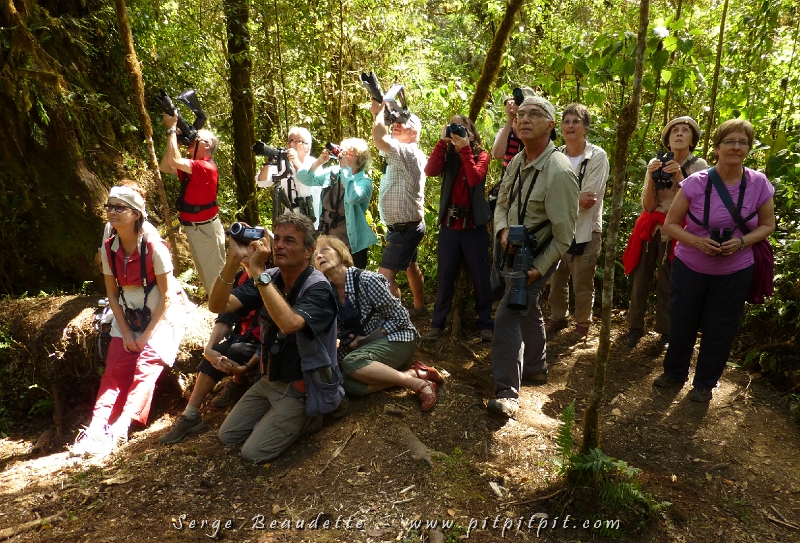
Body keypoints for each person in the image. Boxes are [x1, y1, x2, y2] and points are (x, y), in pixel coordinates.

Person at [654, 119, 775, 403]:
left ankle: (705, 383)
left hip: (736, 269)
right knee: (682, 320)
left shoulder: (758, 183)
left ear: (748, 148)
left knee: (721, 326)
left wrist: (742, 241)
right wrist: (697, 241)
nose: (736, 147)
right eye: (730, 141)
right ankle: (674, 372)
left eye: (742, 142)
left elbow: (768, 225)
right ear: (717, 147)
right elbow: (671, 224)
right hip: (691, 265)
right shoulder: (696, 182)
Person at [209, 214, 340, 464]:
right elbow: (217, 305)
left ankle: (313, 414)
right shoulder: (272, 277)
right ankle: (281, 415)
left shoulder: (318, 288)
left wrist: (258, 271)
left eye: (289, 240)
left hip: (302, 386)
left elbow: (290, 324)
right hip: (269, 379)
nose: (279, 245)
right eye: (277, 238)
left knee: (252, 453)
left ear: (308, 251)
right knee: (228, 435)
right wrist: (234, 258)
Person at [72, 184, 188, 457]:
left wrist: (146, 336)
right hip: (127, 309)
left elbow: (168, 296)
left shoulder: (154, 247)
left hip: (161, 309)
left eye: (119, 207)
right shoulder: (109, 248)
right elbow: (112, 293)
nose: (112, 212)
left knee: (147, 362)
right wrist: (125, 333)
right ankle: (96, 426)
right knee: (114, 368)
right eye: (109, 206)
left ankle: (122, 425)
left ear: (136, 214)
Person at [489, 96, 579, 419]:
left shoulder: (558, 171)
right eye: (521, 114)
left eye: (535, 114)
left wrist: (538, 269)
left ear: (550, 125)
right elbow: (501, 201)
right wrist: (502, 231)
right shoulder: (518, 161)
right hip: (512, 251)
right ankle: (537, 368)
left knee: (508, 314)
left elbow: (564, 236)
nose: (524, 119)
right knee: (527, 308)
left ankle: (507, 393)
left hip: (539, 256)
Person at [314, 236, 440, 411]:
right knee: (347, 385)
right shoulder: (327, 292)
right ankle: (413, 373)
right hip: (367, 350)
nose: (319, 256)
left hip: (399, 337)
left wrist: (365, 339)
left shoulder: (367, 280)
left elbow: (401, 318)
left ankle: (417, 384)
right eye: (315, 255)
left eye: (324, 250)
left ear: (341, 253)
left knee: (352, 362)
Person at [620, 116, 708, 350]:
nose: (679, 134)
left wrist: (680, 176)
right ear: (668, 141)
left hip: (680, 231)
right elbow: (648, 207)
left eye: (684, 131)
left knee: (669, 283)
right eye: (674, 131)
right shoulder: (656, 162)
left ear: (692, 140)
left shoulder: (699, 166)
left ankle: (666, 332)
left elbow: (700, 203)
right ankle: (635, 327)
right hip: (654, 228)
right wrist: (651, 177)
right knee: (641, 279)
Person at [158, 268, 261, 444]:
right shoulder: (239, 278)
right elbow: (225, 317)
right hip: (241, 337)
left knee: (236, 350)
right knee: (218, 353)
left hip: (260, 344)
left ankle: (238, 381)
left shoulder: (271, 275)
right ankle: (190, 415)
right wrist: (209, 349)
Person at [421, 115, 493, 342]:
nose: (458, 132)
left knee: (481, 279)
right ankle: (437, 325)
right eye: (453, 128)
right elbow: (430, 170)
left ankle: (485, 325)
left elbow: (474, 179)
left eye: (463, 128)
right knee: (445, 278)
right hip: (450, 227)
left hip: (473, 228)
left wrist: (465, 149)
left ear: (472, 132)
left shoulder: (481, 155)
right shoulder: (447, 155)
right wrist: (443, 142)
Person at [545, 104, 610, 343]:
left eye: (576, 121)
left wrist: (558, 198)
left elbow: (589, 197)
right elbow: (544, 191)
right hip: (556, 228)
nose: (570, 125)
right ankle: (558, 317)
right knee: (556, 277)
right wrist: (570, 198)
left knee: (582, 279)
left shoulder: (597, 156)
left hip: (586, 229)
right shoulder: (555, 155)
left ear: (585, 127)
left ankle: (582, 322)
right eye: (566, 121)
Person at [369, 99, 427, 316]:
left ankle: (395, 319)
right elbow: (383, 139)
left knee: (384, 277)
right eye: (396, 121)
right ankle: (420, 308)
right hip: (406, 226)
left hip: (405, 228)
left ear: (414, 133)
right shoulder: (401, 153)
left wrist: (377, 113)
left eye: (405, 122)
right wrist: (385, 113)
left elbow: (379, 139)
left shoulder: (409, 152)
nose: (398, 124)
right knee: (411, 266)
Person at [159, 116, 226, 295]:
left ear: (206, 146)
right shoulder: (193, 167)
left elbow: (173, 161)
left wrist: (172, 129)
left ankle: (227, 317)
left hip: (205, 230)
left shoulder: (205, 167)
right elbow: (166, 166)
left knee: (215, 279)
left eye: (197, 138)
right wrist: (177, 142)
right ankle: (223, 315)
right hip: (196, 229)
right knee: (208, 279)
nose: (192, 139)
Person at [296, 138, 378, 269]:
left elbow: (353, 197)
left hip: (352, 243)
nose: (344, 156)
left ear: (360, 159)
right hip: (329, 240)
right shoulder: (333, 172)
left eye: (350, 154)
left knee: (352, 281)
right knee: (328, 279)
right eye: (343, 152)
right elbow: (303, 177)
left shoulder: (364, 181)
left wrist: (345, 170)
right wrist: (319, 162)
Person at [489, 91, 529, 300]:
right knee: (500, 250)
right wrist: (509, 121)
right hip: (506, 201)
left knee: (521, 252)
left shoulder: (537, 137)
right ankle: (499, 299)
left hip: (528, 203)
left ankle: (518, 297)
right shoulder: (509, 132)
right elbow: (496, 153)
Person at [256, 127, 322, 228]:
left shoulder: (314, 163)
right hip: (289, 219)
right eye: (290, 140)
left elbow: (309, 181)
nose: (291, 144)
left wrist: (295, 161)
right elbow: (262, 182)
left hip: (310, 219)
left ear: (307, 147)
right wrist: (269, 162)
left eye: (296, 141)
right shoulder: (283, 164)